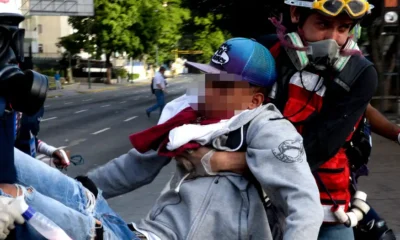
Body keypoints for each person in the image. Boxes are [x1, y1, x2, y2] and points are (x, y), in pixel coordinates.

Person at [0, 38, 323, 240]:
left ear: (254, 100)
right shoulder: (190, 118)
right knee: (27, 170)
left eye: (224, 86)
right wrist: (86, 186)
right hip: (134, 231)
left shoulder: (266, 127)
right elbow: (135, 166)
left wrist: (232, 161)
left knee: (15, 200)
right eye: (210, 79)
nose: (210, 91)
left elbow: (303, 204)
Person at [172, 1, 379, 240]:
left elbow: (315, 149)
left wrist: (225, 160)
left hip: (324, 207)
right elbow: (225, 106)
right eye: (323, 24)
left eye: (343, 28)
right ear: (296, 14)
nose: (333, 39)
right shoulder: (265, 51)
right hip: (252, 198)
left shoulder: (361, 74)